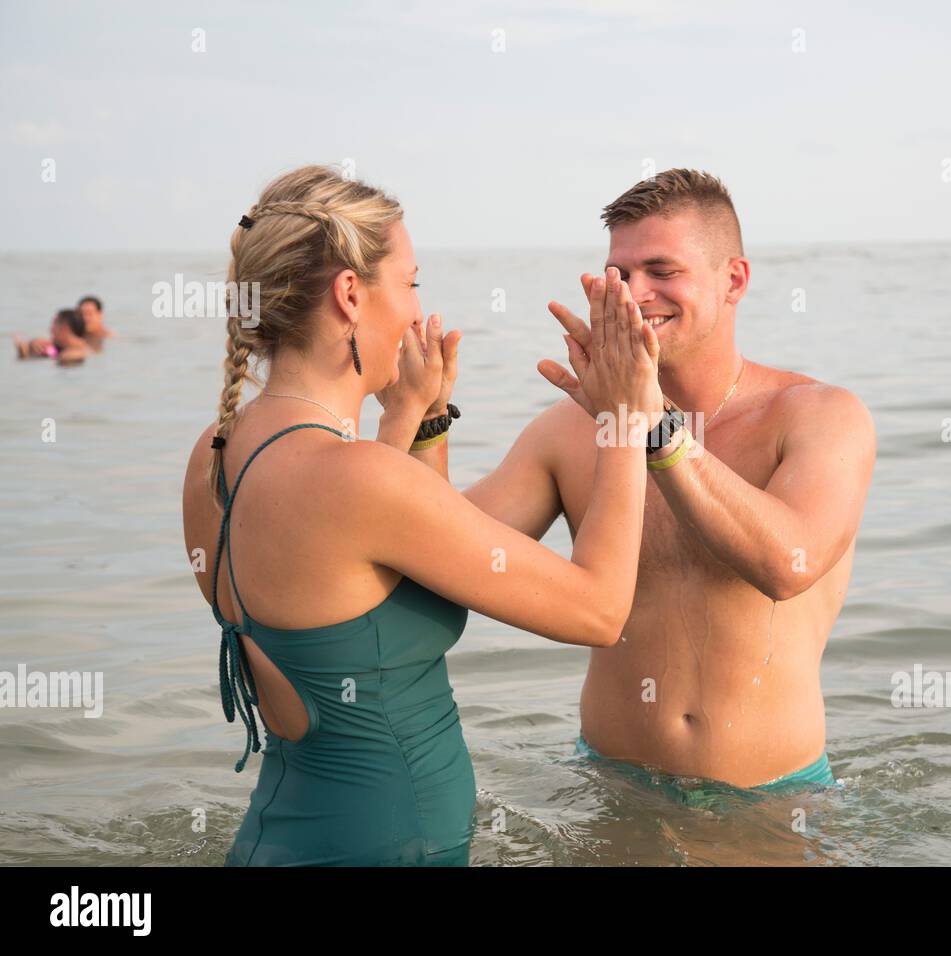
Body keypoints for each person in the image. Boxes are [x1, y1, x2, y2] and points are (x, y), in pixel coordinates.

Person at [181, 164, 664, 866]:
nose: (416, 310)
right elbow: (599, 610)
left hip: (278, 836)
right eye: (410, 282)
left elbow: (352, 586)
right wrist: (625, 420)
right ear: (350, 294)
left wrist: (415, 418)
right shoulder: (358, 480)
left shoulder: (215, 453)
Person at [467, 169, 876, 800]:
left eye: (662, 270)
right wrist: (423, 419)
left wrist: (650, 426)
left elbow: (787, 563)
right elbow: (444, 552)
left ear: (733, 279)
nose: (634, 294)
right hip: (607, 788)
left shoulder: (820, 416)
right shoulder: (567, 432)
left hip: (771, 802)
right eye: (619, 275)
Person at [13, 309, 90, 365]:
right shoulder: (69, 348)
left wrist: (23, 355)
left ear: (65, 328)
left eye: (54, 324)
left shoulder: (71, 355)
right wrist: (30, 345)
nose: (50, 329)